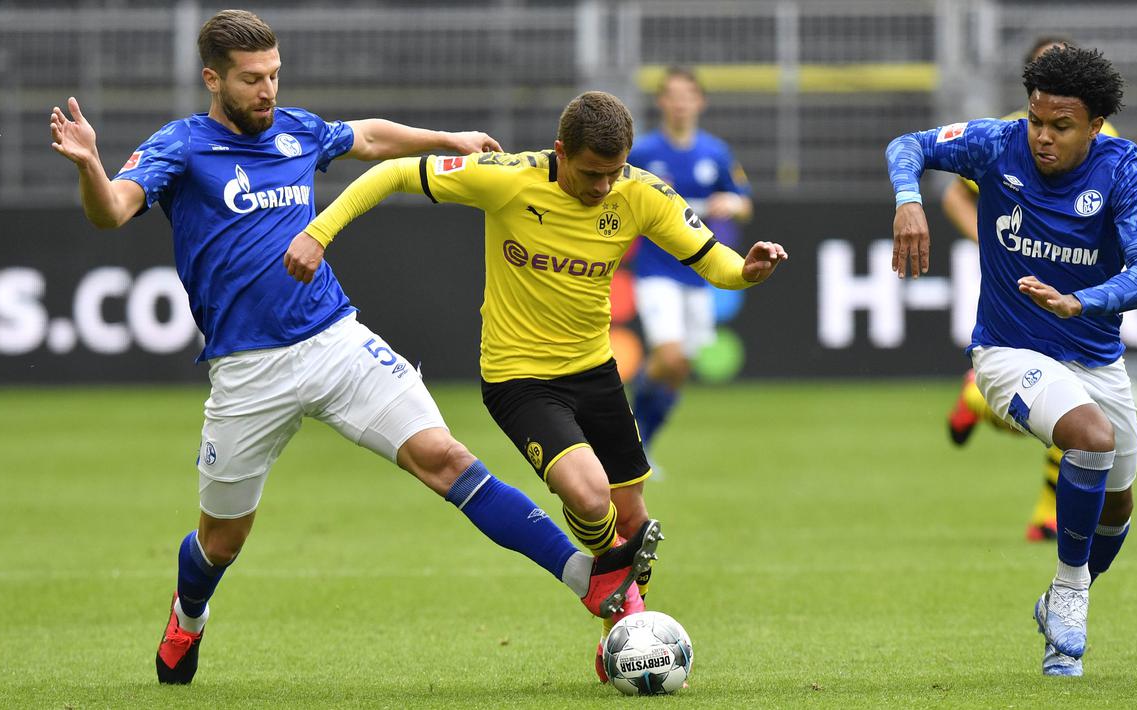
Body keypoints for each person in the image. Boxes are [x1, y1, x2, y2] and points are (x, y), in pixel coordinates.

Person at [49, 9, 660, 686]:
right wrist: (90, 166)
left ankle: (592, 580)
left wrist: (446, 139)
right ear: (212, 80)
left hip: (335, 340)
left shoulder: (296, 129)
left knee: (445, 458)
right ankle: (188, 613)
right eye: (251, 79)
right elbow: (111, 210)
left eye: (274, 74)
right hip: (247, 368)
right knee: (221, 542)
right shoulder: (182, 145)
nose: (267, 90)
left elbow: (367, 137)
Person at [284, 90, 786, 681]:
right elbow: (393, 172)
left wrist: (747, 270)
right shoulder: (508, 179)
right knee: (590, 496)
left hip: (595, 372)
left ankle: (617, 634)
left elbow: (713, 261)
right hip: (519, 378)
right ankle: (626, 605)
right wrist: (319, 232)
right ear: (560, 152)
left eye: (614, 172)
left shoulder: (640, 193)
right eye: (592, 173)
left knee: (633, 520)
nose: (604, 186)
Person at [887, 45, 1137, 676]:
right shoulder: (997, 143)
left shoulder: (1125, 171)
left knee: (1116, 511)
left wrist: (1080, 301)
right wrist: (908, 199)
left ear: (1095, 126)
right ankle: (1069, 593)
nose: (1043, 136)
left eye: (1061, 126)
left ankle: (1060, 601)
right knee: (1090, 439)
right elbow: (908, 144)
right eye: (1037, 120)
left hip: (1095, 356)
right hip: (1007, 351)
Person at [942, 37, 1120, 543]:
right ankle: (1046, 508)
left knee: (1074, 414)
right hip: (1021, 292)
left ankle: (1044, 510)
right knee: (1064, 412)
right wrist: (992, 242)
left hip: (1078, 296)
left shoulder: (1107, 140)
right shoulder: (1010, 137)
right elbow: (955, 195)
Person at [628, 66, 753, 451]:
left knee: (680, 366)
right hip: (655, 272)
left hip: (697, 275)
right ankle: (628, 440)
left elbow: (744, 203)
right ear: (661, 102)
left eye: (687, 96)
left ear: (700, 102)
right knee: (668, 357)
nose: (680, 104)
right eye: (673, 96)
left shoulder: (715, 153)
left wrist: (730, 203)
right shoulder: (644, 152)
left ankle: (643, 443)